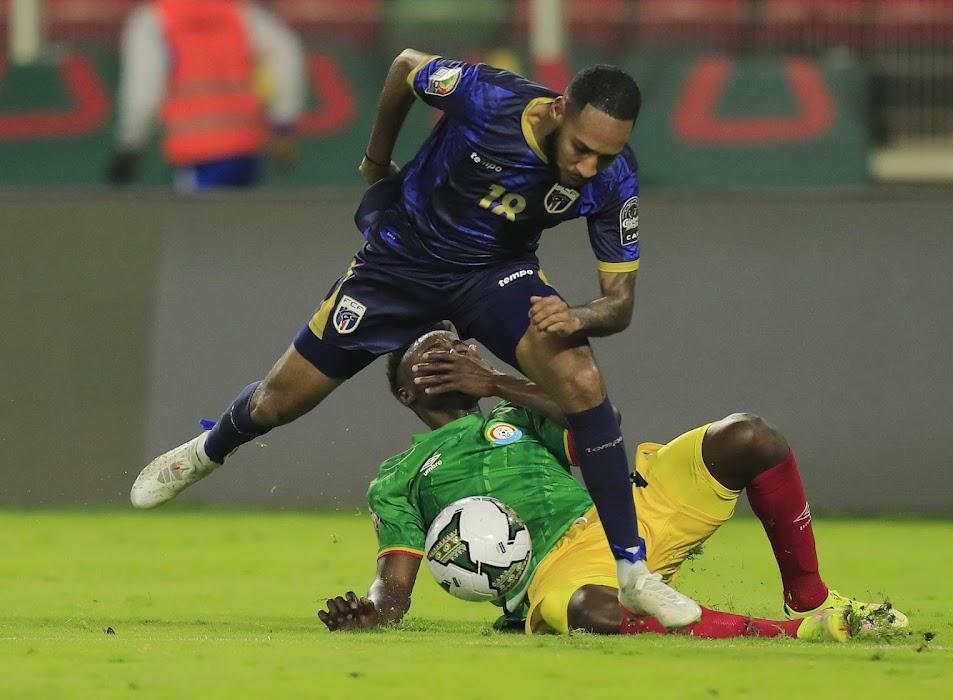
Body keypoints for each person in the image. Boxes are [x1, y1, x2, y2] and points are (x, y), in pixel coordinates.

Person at [131, 51, 695, 627]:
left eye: (606, 155)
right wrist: (377, 159)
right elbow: (404, 67)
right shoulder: (488, 97)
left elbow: (618, 305)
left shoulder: (613, 178)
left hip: (493, 276)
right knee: (279, 401)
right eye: (582, 148)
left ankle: (633, 572)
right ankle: (206, 452)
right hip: (398, 267)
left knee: (582, 380)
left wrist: (576, 316)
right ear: (558, 111)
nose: (590, 167)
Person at [317, 329, 909, 640]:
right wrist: (370, 614)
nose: (451, 349)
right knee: (590, 611)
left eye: (456, 343)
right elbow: (393, 591)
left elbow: (602, 423)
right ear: (407, 392)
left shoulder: (517, 412)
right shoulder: (396, 477)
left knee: (749, 436)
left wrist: (496, 381)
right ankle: (796, 634)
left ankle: (809, 598)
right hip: (559, 571)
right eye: (431, 352)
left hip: (626, 514)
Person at [107, 0, 305, 190]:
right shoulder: (239, 12)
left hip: (195, 152)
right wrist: (283, 124)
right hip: (244, 150)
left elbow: (143, 91)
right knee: (240, 213)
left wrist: (131, 144)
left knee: (193, 214)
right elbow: (285, 52)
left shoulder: (153, 19)